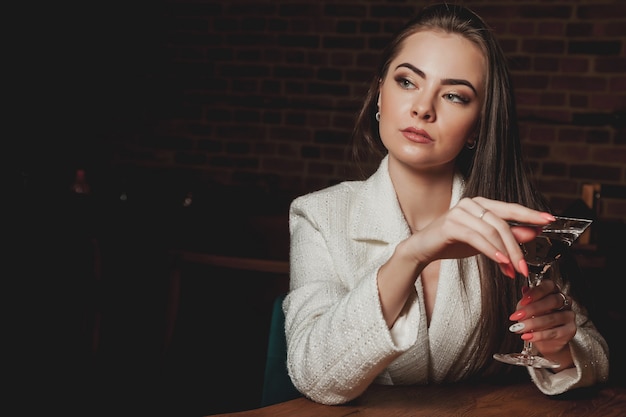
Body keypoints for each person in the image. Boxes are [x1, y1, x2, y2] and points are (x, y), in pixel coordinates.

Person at [283, 3, 609, 406]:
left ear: (477, 126)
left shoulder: (511, 220)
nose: (423, 107)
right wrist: (411, 254)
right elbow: (314, 375)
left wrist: (560, 350)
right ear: (379, 95)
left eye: (454, 95)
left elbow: (594, 354)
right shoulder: (318, 216)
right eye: (407, 82)